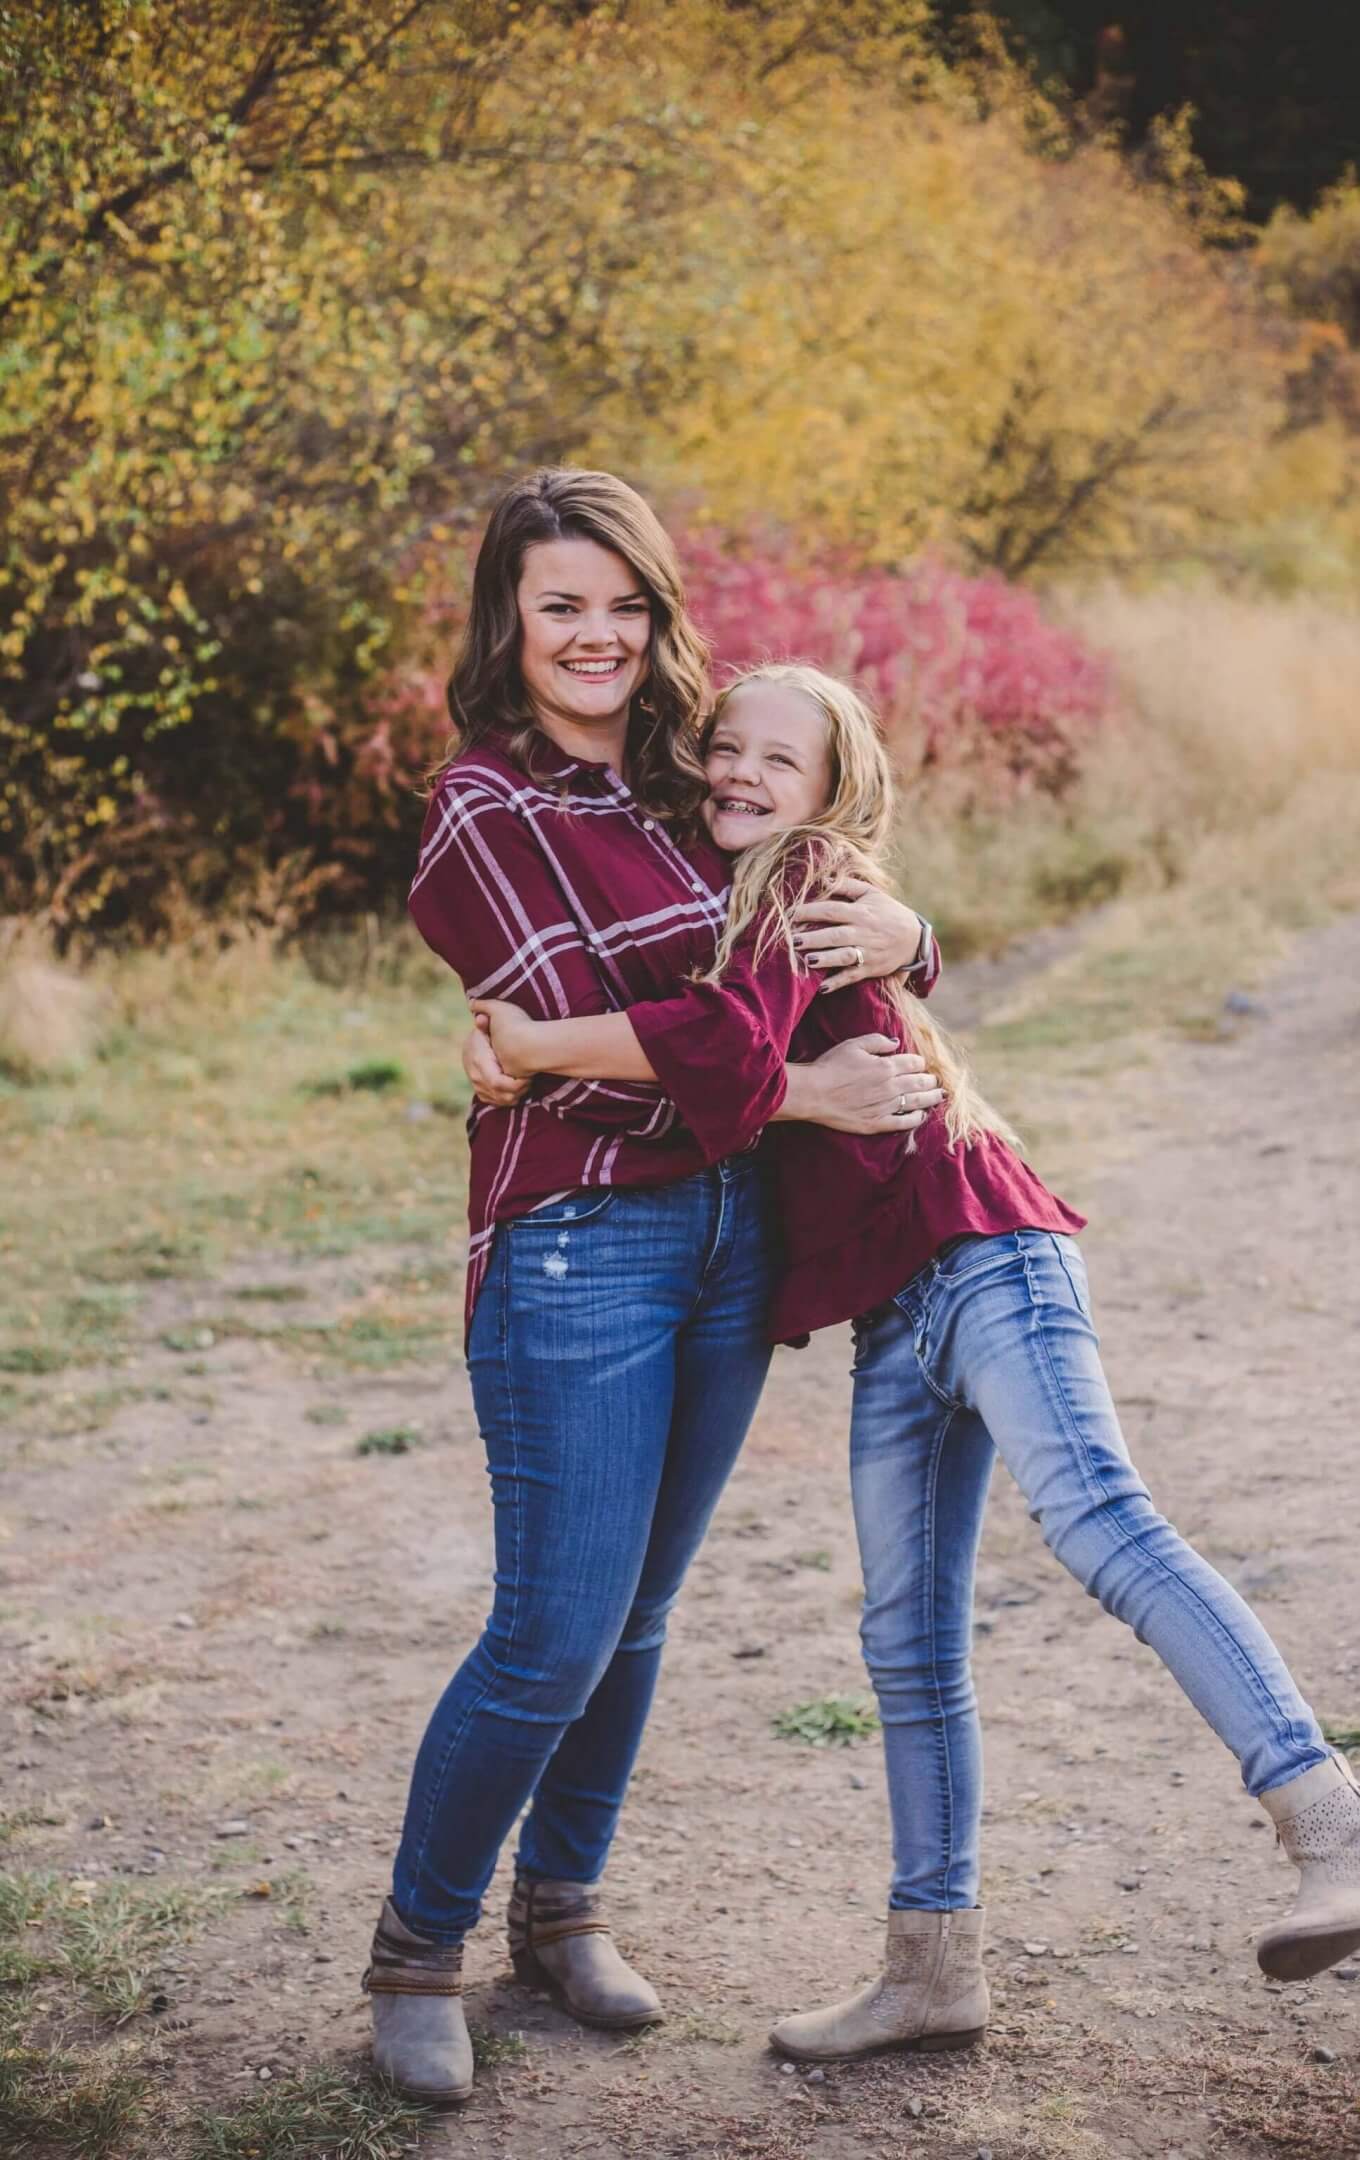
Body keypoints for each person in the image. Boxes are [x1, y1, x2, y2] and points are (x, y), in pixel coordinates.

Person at [469, 661, 1360, 2065]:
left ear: (830, 794)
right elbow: (756, 1030)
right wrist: (910, 940)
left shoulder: (802, 879)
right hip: (892, 1310)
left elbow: (722, 1048)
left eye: (777, 759)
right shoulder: (745, 882)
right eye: (725, 747)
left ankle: (1341, 1833)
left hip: (983, 1252)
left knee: (1101, 1519)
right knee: (908, 1645)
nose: (740, 771)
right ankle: (932, 1967)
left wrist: (533, 1041)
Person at [367, 474, 941, 2104]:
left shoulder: (713, 772)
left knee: (640, 1616)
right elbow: (585, 1046)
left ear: (657, 610)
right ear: (510, 623)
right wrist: (793, 1080)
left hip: (728, 1239)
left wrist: (911, 935)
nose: (597, 635)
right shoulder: (489, 807)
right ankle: (416, 1950)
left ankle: (563, 1915)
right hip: (579, 1241)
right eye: (561, 606)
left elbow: (832, 929)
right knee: (553, 1627)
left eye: (622, 602)